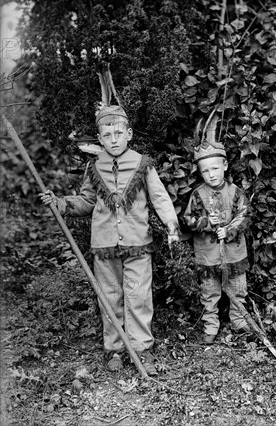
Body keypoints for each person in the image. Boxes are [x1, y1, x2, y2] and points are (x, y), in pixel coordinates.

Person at [39, 105, 179, 375]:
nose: (113, 139)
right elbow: (86, 202)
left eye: (118, 133)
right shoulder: (94, 167)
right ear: (99, 139)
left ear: (129, 134)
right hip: (104, 246)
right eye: (107, 134)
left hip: (138, 244)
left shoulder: (142, 164)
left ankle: (141, 349)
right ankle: (114, 349)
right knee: (110, 297)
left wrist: (172, 227)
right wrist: (60, 203)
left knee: (138, 295)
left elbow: (160, 198)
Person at [184, 139, 250, 344]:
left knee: (238, 288)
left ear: (225, 166)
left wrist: (229, 230)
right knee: (209, 291)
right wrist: (204, 221)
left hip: (234, 254)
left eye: (215, 168)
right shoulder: (197, 195)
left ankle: (239, 321)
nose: (211, 174)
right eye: (205, 171)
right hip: (208, 255)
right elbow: (188, 219)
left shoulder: (236, 192)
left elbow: (245, 216)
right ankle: (210, 325)